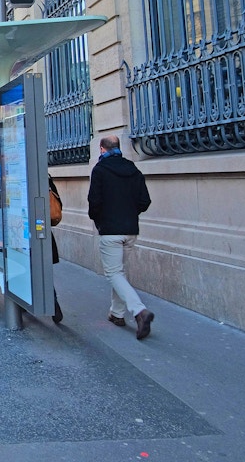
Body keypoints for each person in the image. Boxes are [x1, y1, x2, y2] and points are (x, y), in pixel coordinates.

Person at [87, 135, 155, 340]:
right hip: (130, 229)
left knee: (114, 273)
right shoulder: (133, 169)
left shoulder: (100, 170)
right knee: (119, 273)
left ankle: (139, 311)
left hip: (110, 230)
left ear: (102, 149)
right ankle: (117, 314)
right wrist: (130, 214)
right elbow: (145, 201)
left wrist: (99, 219)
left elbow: (94, 202)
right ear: (118, 147)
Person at [49, 175, 63, 324]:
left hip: (19, 230)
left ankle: (52, 302)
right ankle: (52, 302)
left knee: (23, 266)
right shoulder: (45, 178)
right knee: (43, 269)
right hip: (43, 230)